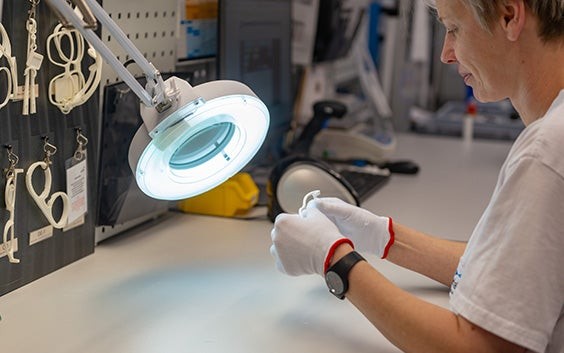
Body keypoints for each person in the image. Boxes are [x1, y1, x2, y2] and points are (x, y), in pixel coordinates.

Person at [269, 0, 564, 352]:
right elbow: (516, 274)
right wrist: (382, 237)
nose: (446, 54)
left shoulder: (547, 150)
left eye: (454, 28)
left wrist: (335, 260)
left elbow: (482, 348)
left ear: (509, 16)